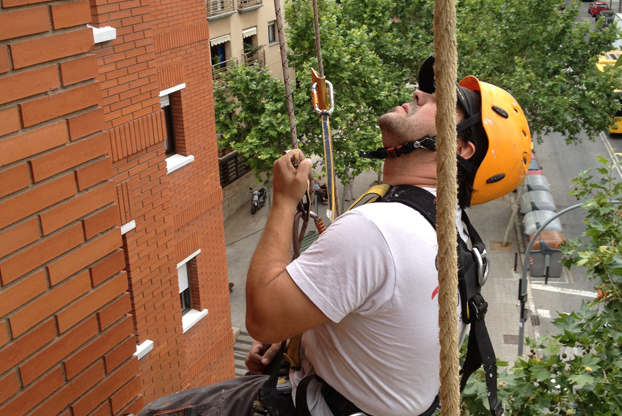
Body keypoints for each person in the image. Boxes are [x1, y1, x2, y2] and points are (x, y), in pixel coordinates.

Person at [135, 56, 531, 416]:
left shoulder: (380, 231)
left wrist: (284, 201)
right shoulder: (456, 231)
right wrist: (299, 338)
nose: (418, 92)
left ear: (460, 146)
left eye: (438, 100)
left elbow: (261, 318)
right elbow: (384, 323)